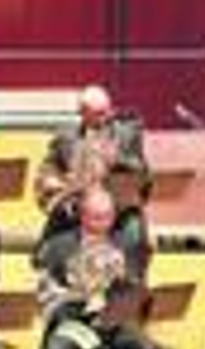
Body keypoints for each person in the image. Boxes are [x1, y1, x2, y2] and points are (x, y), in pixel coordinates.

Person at [33, 185, 158, 349]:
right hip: (75, 323)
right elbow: (45, 296)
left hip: (115, 323)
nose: (104, 223)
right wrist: (82, 304)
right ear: (82, 215)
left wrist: (129, 300)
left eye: (108, 217)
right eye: (97, 217)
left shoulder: (125, 244)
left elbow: (136, 286)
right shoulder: (58, 247)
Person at [34, 84, 150, 246]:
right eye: (98, 114)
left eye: (107, 111)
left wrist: (115, 165)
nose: (106, 117)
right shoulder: (65, 138)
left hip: (117, 210)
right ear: (82, 113)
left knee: (133, 235)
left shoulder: (126, 135)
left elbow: (141, 177)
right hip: (75, 209)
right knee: (51, 247)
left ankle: (132, 269)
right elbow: (47, 173)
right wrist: (62, 197)